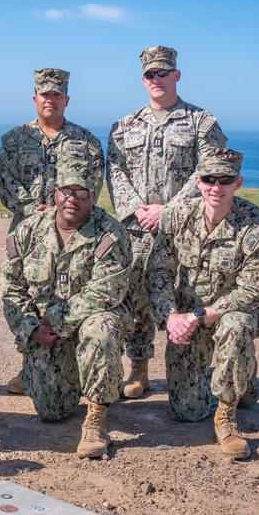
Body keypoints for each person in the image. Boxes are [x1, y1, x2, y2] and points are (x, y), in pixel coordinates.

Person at [106, 46, 228, 400]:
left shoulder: (201, 122)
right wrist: (137, 210)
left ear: (177, 75)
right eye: (150, 74)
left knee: (193, 295)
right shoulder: (124, 126)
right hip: (137, 228)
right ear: (142, 79)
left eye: (163, 73)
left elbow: (210, 170)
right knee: (136, 296)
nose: (156, 79)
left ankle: (209, 369)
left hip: (187, 229)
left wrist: (169, 211)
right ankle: (139, 367)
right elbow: (114, 171)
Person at [145, 148, 259, 459]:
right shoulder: (177, 217)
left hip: (230, 315)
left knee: (235, 327)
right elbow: (158, 273)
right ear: (198, 182)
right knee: (186, 411)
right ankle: (240, 374)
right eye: (210, 179)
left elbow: (254, 292)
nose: (217, 187)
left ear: (238, 183)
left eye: (225, 180)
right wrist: (171, 317)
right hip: (187, 320)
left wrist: (199, 316)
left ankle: (227, 415)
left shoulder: (256, 227)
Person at [0, 160, 132, 458]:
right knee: (52, 411)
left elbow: (108, 289)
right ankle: (77, 380)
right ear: (55, 193)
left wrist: (57, 319)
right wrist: (31, 328)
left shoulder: (110, 233)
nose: (73, 199)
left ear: (93, 195)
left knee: (102, 329)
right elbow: (11, 287)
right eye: (66, 191)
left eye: (82, 193)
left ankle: (97, 416)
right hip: (45, 333)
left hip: (87, 323)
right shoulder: (28, 231)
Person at [0, 68, 104, 395]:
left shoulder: (86, 142)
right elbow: (5, 183)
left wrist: (63, 213)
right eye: (45, 94)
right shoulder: (14, 140)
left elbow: (93, 186)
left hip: (73, 234)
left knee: (70, 295)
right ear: (35, 98)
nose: (50, 100)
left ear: (66, 99)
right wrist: (35, 211)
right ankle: (29, 364)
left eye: (57, 95)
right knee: (27, 295)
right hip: (28, 234)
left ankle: (76, 366)